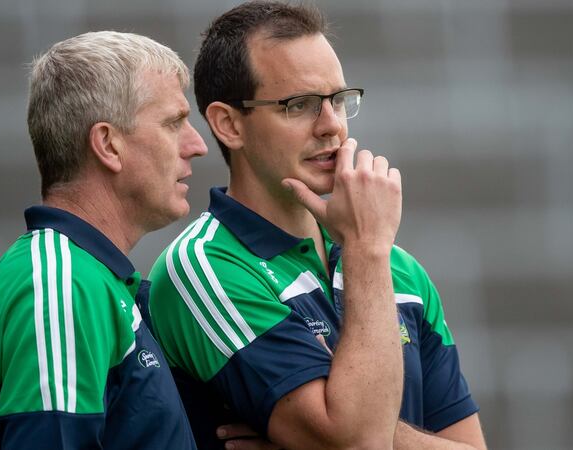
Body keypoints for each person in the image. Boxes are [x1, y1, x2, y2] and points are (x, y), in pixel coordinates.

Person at [148, 2, 487, 449]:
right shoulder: (203, 268)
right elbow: (357, 442)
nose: (332, 127)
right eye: (299, 105)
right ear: (229, 124)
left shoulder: (396, 266)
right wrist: (365, 249)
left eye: (339, 100)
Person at [0, 31, 210, 449]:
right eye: (173, 123)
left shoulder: (83, 278)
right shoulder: (61, 288)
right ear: (108, 145)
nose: (197, 145)